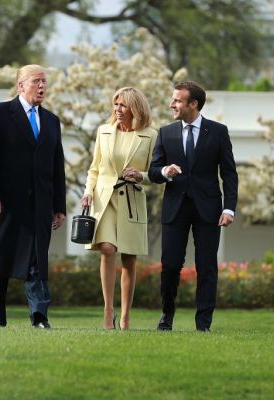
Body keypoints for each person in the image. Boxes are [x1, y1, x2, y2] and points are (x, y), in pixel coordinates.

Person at [0, 64, 67, 328]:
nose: (42, 86)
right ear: (21, 85)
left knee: (37, 265)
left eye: (45, 81)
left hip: (38, 206)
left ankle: (39, 317)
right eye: (37, 81)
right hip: (3, 205)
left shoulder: (51, 121)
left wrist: (59, 205)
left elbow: (57, 165)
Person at [148, 81, 238, 332]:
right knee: (170, 266)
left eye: (177, 100)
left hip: (208, 209)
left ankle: (204, 323)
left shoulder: (219, 131)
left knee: (207, 266)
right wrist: (165, 171)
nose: (171, 104)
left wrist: (229, 208)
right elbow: (154, 172)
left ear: (193, 104)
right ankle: (166, 314)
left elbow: (229, 173)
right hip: (175, 208)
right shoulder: (166, 133)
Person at [81, 87, 157, 330]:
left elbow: (154, 173)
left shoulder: (151, 136)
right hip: (104, 198)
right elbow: (95, 168)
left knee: (129, 258)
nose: (118, 109)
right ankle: (108, 310)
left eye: (123, 105)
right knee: (106, 248)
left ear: (135, 108)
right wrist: (87, 193)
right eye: (116, 105)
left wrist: (140, 176)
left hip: (131, 200)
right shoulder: (103, 131)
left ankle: (125, 316)